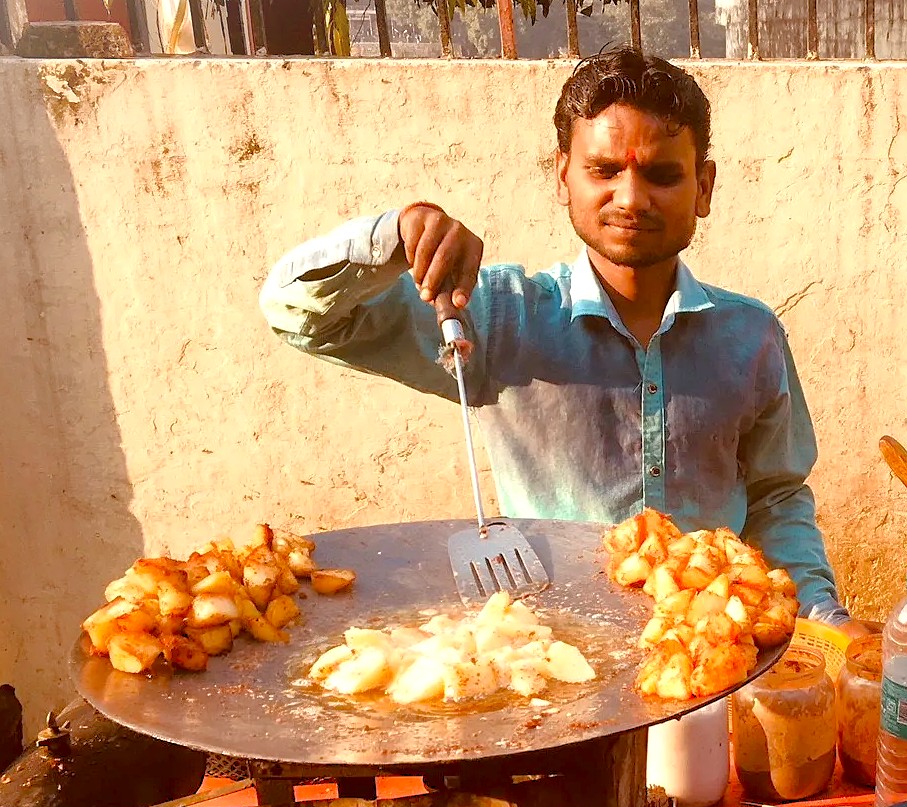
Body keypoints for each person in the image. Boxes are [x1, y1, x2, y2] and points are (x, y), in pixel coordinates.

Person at [259, 47, 853, 628]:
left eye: (662, 175)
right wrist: (393, 235)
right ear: (563, 176)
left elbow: (775, 498)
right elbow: (296, 313)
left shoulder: (750, 338)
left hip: (714, 660)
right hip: (555, 663)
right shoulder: (494, 318)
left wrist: (822, 617)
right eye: (604, 170)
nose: (631, 197)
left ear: (703, 187)